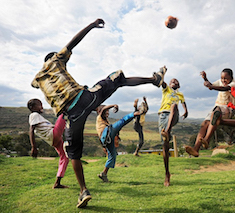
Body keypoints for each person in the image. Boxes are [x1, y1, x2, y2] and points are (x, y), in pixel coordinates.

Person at [31, 18, 167, 208]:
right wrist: (92, 25)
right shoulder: (56, 59)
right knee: (117, 78)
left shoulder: (37, 78)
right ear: (53, 57)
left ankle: (83, 191)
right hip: (85, 98)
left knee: (73, 155)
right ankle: (154, 79)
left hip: (70, 115)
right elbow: (73, 42)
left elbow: (35, 83)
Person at [185, 69, 235, 157]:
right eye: (222, 78)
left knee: (216, 112)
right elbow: (211, 86)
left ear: (231, 77)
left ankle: (207, 139)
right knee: (205, 123)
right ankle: (196, 149)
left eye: (226, 78)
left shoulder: (234, 83)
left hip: (228, 109)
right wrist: (205, 78)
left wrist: (211, 87)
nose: (223, 80)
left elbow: (224, 88)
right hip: (217, 108)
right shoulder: (220, 82)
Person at [96, 102, 147, 182]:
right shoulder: (100, 117)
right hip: (106, 134)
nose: (107, 113)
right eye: (106, 112)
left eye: (108, 112)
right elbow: (104, 109)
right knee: (122, 121)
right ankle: (136, 113)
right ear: (100, 112)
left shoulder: (105, 121)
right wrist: (113, 105)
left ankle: (104, 174)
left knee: (112, 156)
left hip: (106, 139)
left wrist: (117, 135)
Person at [27, 99, 69, 189]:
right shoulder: (34, 115)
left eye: (41, 105)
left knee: (65, 157)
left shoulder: (38, 117)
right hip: (53, 135)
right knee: (64, 112)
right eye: (39, 105)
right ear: (32, 107)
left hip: (53, 140)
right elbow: (31, 130)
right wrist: (34, 147)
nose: (41, 107)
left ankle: (57, 183)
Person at [158, 78, 188, 187]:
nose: (174, 82)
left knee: (174, 106)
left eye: (176, 81)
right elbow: (162, 83)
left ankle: (166, 132)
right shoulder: (166, 90)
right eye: (172, 81)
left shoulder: (180, 94)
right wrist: (162, 73)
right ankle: (167, 173)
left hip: (174, 115)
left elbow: (183, 104)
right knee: (165, 147)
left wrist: (186, 111)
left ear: (178, 85)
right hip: (162, 116)